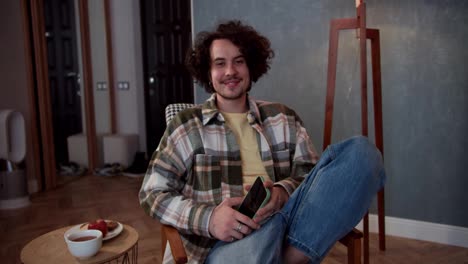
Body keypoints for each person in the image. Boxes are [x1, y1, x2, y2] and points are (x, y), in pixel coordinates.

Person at [139, 20, 386, 264]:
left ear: (251, 66)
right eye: (220, 63)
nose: (230, 72)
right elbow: (153, 192)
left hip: (287, 228)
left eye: (239, 61)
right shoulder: (186, 125)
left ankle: (286, 257)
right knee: (259, 239)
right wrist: (209, 219)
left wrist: (281, 192)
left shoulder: (284, 117)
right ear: (208, 71)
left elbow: (313, 179)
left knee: (363, 153)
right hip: (224, 247)